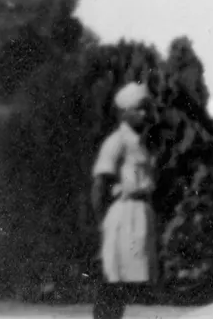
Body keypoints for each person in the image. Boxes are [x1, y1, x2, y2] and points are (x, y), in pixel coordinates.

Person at [91, 82, 159, 319]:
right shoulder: (116, 141)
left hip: (140, 214)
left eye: (146, 109)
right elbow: (100, 184)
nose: (143, 114)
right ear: (125, 112)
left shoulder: (140, 143)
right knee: (115, 277)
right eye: (138, 109)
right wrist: (102, 222)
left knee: (125, 281)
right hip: (123, 215)